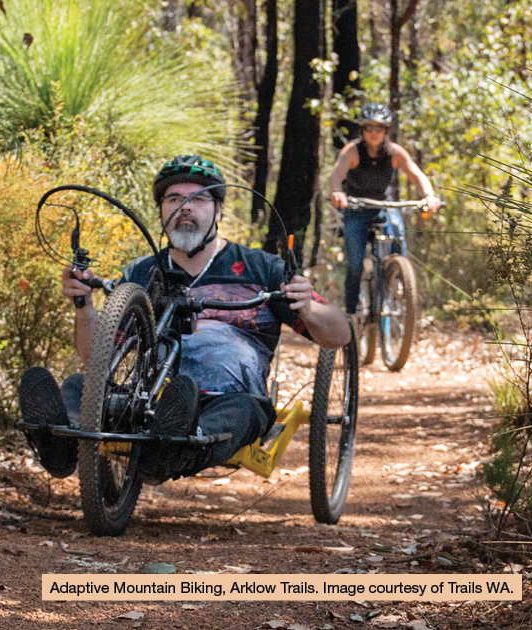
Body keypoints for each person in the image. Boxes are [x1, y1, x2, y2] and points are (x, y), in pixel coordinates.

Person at [19, 156, 351, 482]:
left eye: (199, 199)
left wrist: (308, 308)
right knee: (80, 386)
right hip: (148, 400)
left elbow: (339, 335)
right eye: (174, 199)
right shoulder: (140, 274)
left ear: (219, 210)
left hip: (229, 399)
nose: (185, 207)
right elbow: (97, 355)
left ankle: (170, 449)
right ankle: (58, 445)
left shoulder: (262, 268)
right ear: (163, 211)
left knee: (241, 411)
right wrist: (84, 304)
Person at [329, 103, 441, 316]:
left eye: (379, 128)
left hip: (384, 206)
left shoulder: (394, 152)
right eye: (369, 128)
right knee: (355, 264)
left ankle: (398, 282)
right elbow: (336, 175)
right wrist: (338, 192)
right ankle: (350, 314)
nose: (374, 133)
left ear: (386, 131)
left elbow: (416, 175)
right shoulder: (353, 151)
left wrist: (429, 196)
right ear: (362, 130)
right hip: (357, 208)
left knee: (397, 234)